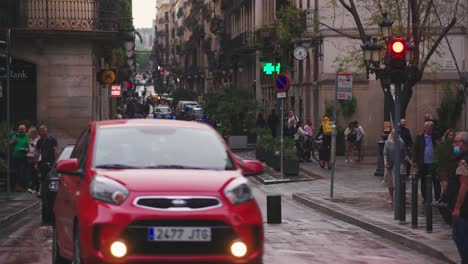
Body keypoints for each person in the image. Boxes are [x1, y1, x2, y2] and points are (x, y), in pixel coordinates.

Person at [448, 132, 468, 263]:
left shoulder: (463, 161)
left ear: (464, 144)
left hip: (463, 208)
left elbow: (464, 184)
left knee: (459, 236)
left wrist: (457, 207)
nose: (453, 144)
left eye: (456, 142)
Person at [413, 121, 441, 204]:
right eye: (429, 128)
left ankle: (437, 198)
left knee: (436, 181)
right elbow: (416, 149)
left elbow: (440, 143)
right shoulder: (419, 137)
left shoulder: (435, 137)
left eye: (432, 128)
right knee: (424, 181)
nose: (431, 129)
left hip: (433, 163)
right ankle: (425, 198)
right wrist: (414, 161)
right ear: (425, 128)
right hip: (423, 163)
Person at [383, 129, 413, 205]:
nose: (395, 135)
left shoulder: (401, 143)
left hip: (399, 164)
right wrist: (385, 163)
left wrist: (411, 162)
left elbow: (404, 154)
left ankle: (400, 198)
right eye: (393, 134)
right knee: (390, 184)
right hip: (389, 165)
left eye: (396, 134)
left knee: (398, 182)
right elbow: (385, 154)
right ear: (391, 134)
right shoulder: (387, 143)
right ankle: (392, 199)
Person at [35, 125, 58, 198]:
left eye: (43, 131)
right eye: (40, 131)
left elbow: (55, 150)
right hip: (43, 161)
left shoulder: (51, 139)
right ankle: (43, 192)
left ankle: (50, 192)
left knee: (51, 177)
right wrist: (36, 162)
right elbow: (38, 152)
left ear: (46, 130)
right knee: (43, 177)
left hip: (51, 161)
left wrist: (55, 161)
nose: (41, 132)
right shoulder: (39, 141)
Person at [9, 124, 29, 192]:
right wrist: (14, 140)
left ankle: (22, 186)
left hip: (25, 157)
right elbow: (9, 143)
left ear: (25, 129)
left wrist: (26, 149)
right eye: (20, 129)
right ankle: (18, 186)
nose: (21, 130)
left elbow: (33, 144)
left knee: (22, 171)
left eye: (22, 129)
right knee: (17, 172)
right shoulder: (16, 135)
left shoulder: (28, 135)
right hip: (16, 157)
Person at [26, 126, 40, 194]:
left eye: (30, 133)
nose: (29, 134)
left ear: (34, 133)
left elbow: (38, 149)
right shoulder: (31, 139)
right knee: (32, 173)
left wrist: (31, 144)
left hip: (35, 158)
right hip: (30, 157)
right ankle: (34, 187)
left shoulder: (38, 140)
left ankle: (35, 187)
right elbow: (30, 148)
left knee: (35, 173)